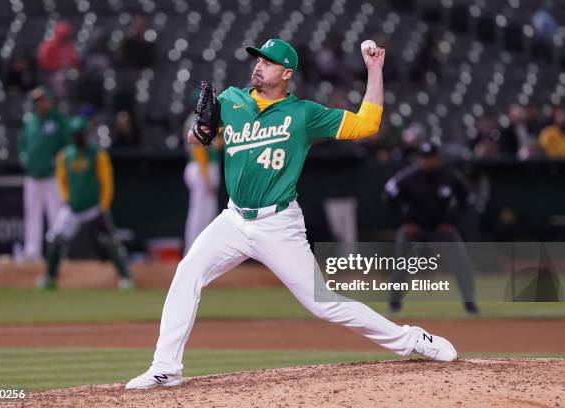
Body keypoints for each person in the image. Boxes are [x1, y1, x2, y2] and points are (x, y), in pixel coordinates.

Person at [126, 38, 457, 390]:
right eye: (257, 59)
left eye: (267, 62)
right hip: (234, 219)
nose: (258, 65)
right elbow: (198, 137)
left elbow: (367, 124)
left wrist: (374, 71)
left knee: (324, 304)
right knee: (187, 273)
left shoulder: (303, 114)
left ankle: (411, 339)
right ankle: (166, 367)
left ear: (286, 73)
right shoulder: (232, 101)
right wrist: (200, 132)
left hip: (278, 223)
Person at [38, 117, 133, 290]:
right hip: (72, 208)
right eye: (75, 135)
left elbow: (106, 181)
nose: (77, 138)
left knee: (110, 241)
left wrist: (103, 204)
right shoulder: (64, 155)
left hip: (94, 207)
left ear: (86, 135)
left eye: (80, 134)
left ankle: (125, 277)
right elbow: (61, 180)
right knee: (55, 239)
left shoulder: (97, 154)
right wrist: (67, 199)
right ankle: (50, 277)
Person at [384, 141, 478, 314]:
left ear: (437, 158)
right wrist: (404, 221)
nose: (427, 161)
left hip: (441, 228)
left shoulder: (449, 176)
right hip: (415, 228)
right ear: (418, 159)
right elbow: (388, 197)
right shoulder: (408, 177)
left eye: (431, 157)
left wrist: (452, 222)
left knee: (462, 264)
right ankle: (394, 306)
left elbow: (466, 200)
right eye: (423, 158)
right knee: (400, 265)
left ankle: (470, 306)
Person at [17, 87, 70, 260]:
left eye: (43, 100)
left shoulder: (58, 120)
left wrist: (59, 161)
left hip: (52, 177)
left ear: (49, 100)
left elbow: (67, 143)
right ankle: (32, 252)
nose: (41, 103)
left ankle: (57, 253)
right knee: (32, 215)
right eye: (38, 101)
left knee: (56, 216)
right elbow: (22, 144)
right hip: (32, 177)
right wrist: (24, 158)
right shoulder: (29, 121)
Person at [183, 111, 222, 254]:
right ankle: (191, 252)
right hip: (201, 169)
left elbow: (215, 143)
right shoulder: (199, 120)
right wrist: (206, 178)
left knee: (208, 214)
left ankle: (202, 253)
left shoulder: (194, 119)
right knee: (199, 215)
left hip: (201, 168)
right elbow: (198, 150)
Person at [38, 21, 80, 98]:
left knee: (76, 76)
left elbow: (75, 61)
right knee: (60, 78)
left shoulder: (70, 46)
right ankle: (61, 99)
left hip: (68, 72)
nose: (65, 38)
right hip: (52, 73)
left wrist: (71, 65)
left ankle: (75, 99)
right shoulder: (49, 47)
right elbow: (44, 63)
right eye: (64, 36)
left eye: (67, 35)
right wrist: (61, 65)